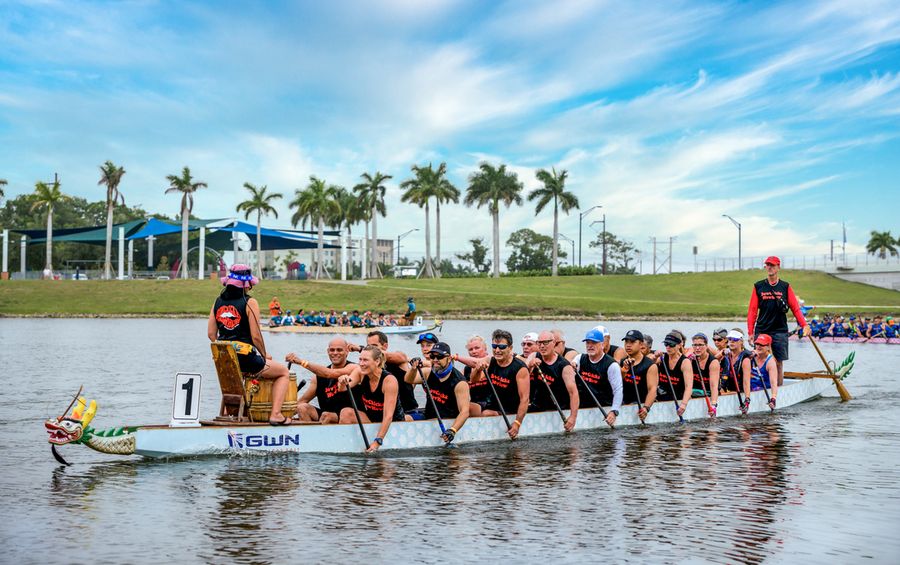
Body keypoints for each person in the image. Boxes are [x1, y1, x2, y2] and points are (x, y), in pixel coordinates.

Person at [207, 264, 291, 425]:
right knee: (283, 372)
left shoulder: (217, 302)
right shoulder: (250, 302)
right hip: (246, 359)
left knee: (237, 379)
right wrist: (265, 355)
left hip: (225, 359)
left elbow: (211, 335)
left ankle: (228, 415)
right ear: (247, 284)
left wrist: (228, 347)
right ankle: (276, 414)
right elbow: (256, 336)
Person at [747, 256, 809, 386]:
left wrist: (804, 325)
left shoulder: (785, 287)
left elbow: (795, 309)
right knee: (759, 359)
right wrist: (750, 332)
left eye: (773, 265)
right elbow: (752, 311)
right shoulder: (758, 286)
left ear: (778, 267)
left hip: (779, 330)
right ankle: (758, 387)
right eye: (768, 265)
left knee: (778, 362)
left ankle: (779, 391)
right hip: (762, 329)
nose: (770, 267)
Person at [337, 345, 410, 452]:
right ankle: (343, 444)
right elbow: (342, 388)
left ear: (377, 361)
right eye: (360, 359)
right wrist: (342, 380)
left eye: (365, 360)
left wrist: (377, 441)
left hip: (394, 424)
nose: (361, 363)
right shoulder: (360, 373)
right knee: (346, 412)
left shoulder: (389, 381)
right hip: (372, 421)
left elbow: (388, 416)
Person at [407, 342, 471, 444]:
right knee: (404, 418)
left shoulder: (460, 382)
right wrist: (413, 369)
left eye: (439, 357)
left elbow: (465, 412)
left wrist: (453, 430)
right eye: (432, 356)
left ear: (449, 358)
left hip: (447, 421)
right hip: (428, 416)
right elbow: (408, 380)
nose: (435, 360)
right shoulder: (428, 373)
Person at [472, 329, 531, 439]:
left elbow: (525, 399)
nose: (497, 350)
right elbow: (474, 380)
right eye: (494, 346)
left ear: (510, 348)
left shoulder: (520, 368)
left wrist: (517, 423)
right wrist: (477, 370)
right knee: (469, 407)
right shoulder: (491, 361)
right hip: (492, 404)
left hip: (510, 410)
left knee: (485, 414)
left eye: (502, 347)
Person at [287, 338, 356, 423]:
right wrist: (283, 414)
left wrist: (301, 362)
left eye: (339, 350)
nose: (335, 353)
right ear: (328, 351)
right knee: (302, 407)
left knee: (327, 415)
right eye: (332, 350)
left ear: (347, 352)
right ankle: (309, 434)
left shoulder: (354, 368)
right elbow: (303, 401)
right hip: (324, 417)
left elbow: (329, 373)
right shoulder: (317, 377)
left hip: (348, 417)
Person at [527, 330, 579, 431]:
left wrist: (573, 417)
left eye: (546, 342)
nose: (542, 346)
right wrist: (529, 366)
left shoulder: (564, 366)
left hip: (558, 408)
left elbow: (574, 393)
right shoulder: (533, 356)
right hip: (537, 405)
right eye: (539, 343)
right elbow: (522, 379)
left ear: (554, 343)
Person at [574, 327, 622, 426]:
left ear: (602, 344)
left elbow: (618, 390)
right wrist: (572, 365)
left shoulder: (611, 365)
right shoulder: (580, 358)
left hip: (604, 407)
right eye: (588, 343)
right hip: (583, 407)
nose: (590, 346)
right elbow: (572, 364)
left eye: (594, 343)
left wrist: (614, 411)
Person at [365, 330, 420, 417]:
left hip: (408, 412)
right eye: (368, 346)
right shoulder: (370, 366)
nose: (371, 350)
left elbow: (402, 357)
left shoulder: (399, 359)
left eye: (374, 346)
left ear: (385, 346)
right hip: (386, 413)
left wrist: (360, 349)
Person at [620, 330, 658, 421]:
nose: (628, 345)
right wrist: (624, 370)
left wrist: (646, 408)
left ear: (641, 344)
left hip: (640, 404)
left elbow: (652, 390)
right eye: (626, 342)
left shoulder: (650, 365)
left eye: (632, 342)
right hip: (623, 403)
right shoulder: (622, 362)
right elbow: (616, 384)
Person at [656, 332, 693, 417]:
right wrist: (654, 357)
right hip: (662, 396)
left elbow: (689, 386)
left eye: (671, 344)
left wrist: (683, 405)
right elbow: (648, 365)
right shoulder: (662, 358)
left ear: (680, 345)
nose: (668, 347)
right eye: (666, 344)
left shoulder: (685, 362)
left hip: (678, 399)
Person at [690, 333, 720, 417]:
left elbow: (714, 386)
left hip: (708, 393)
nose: (697, 348)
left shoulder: (713, 362)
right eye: (695, 345)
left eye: (700, 345)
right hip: (694, 392)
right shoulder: (690, 360)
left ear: (706, 346)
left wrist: (713, 404)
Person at [723, 329, 753, 412]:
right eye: (729, 339)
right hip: (727, 390)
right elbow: (714, 359)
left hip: (740, 391)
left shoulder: (745, 359)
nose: (731, 342)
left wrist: (747, 400)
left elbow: (746, 382)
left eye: (735, 340)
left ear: (741, 342)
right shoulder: (726, 356)